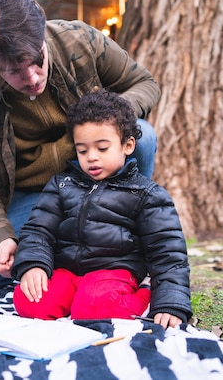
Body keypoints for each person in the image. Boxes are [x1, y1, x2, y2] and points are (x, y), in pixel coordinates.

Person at [0, 0, 161, 290]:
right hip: (23, 195)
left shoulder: (80, 40)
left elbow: (144, 83)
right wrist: (4, 237)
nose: (33, 78)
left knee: (142, 135)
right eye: (13, 71)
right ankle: (62, 248)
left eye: (37, 60)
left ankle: (131, 237)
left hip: (91, 180)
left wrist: (109, 121)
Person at [11, 89, 192, 329]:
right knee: (29, 302)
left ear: (127, 146)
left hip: (114, 272)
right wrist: (33, 264)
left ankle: (144, 292)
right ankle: (75, 299)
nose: (91, 158)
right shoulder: (61, 184)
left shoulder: (146, 194)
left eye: (102, 148)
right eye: (82, 150)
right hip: (67, 271)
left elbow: (168, 252)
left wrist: (170, 300)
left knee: (93, 310)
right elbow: (38, 230)